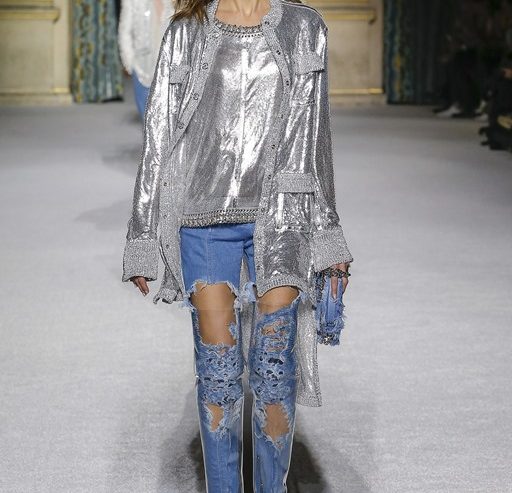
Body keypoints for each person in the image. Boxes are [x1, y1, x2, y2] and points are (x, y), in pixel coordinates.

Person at [121, 0, 354, 489]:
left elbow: (316, 138)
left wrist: (328, 234)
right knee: (219, 375)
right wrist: (142, 233)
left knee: (274, 371)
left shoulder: (304, 27)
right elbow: (159, 136)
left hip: (283, 215)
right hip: (203, 219)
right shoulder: (185, 32)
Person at [118, 0, 174, 117]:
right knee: (149, 117)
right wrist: (130, 63)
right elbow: (125, 32)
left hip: (170, 66)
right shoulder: (132, 2)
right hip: (142, 68)